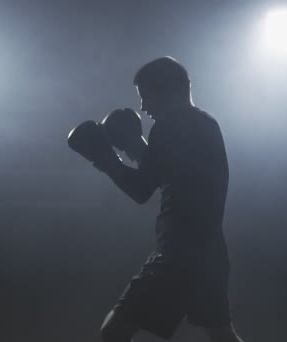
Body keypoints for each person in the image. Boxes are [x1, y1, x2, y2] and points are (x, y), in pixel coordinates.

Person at [68, 56, 243, 342]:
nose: (143, 107)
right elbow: (174, 174)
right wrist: (136, 146)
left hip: (178, 255)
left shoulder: (169, 127)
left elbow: (141, 190)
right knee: (223, 336)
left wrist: (105, 159)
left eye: (146, 97)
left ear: (169, 91)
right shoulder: (206, 124)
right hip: (210, 253)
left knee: (113, 332)